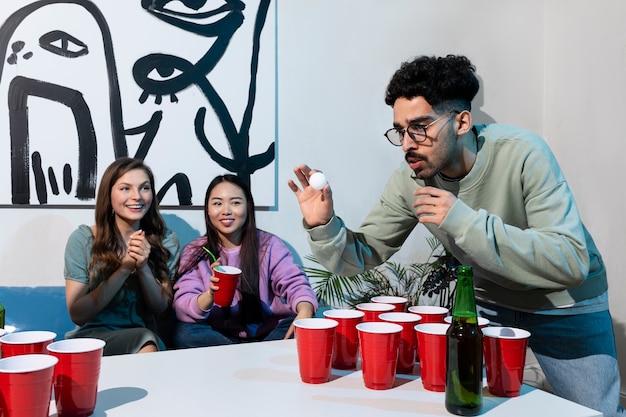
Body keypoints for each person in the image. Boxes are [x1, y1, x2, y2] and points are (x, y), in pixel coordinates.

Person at [288, 55, 625, 416]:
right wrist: (324, 224)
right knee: (466, 407)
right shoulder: (411, 179)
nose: (406, 144)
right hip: (487, 306)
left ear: (462, 121)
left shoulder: (525, 152)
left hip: (564, 304)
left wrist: (463, 221)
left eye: (419, 127)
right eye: (400, 130)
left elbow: (570, 260)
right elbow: (362, 255)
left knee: (595, 413)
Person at [172, 174, 317, 347]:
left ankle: (244, 355)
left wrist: (305, 310)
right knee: (182, 333)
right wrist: (210, 294)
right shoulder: (197, 251)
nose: (226, 210)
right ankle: (246, 355)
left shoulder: (268, 245)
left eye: (235, 202)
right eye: (217, 203)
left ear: (248, 207)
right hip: (218, 336)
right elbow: (183, 305)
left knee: (300, 323)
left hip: (269, 333)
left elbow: (295, 283)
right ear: (208, 210)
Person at [64, 157, 180, 355]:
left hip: (144, 337)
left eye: (144, 188)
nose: (137, 196)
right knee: (146, 342)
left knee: (145, 339)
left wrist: (143, 268)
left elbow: (161, 310)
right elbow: (78, 314)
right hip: (93, 340)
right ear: (108, 195)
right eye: (125, 188)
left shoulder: (165, 240)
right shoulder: (83, 239)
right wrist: (125, 268)